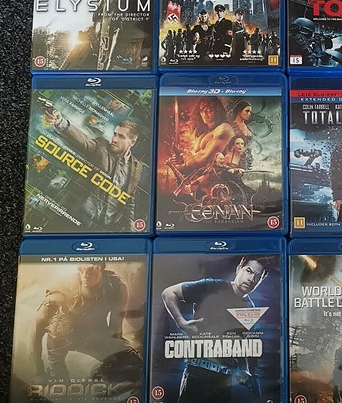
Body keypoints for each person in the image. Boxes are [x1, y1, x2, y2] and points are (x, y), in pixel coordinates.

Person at [162, 256, 270, 403]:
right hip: (197, 376)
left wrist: (244, 369)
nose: (251, 279)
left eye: (258, 277)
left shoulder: (250, 308)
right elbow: (169, 293)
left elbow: (241, 343)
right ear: (239, 268)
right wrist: (181, 323)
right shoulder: (212, 286)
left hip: (224, 382)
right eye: (249, 271)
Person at [30, 263, 142, 384]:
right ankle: (56, 371)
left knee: (133, 364)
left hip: (95, 335)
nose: (86, 274)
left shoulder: (116, 288)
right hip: (63, 340)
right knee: (60, 382)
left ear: (101, 267)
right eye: (82, 268)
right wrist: (38, 372)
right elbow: (36, 333)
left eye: (91, 268)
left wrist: (115, 358)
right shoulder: (59, 294)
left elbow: (115, 331)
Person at [43, 108, 142, 231]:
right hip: (74, 217)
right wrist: (60, 122)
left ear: (132, 142)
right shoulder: (101, 146)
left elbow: (129, 200)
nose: (115, 139)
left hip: (102, 228)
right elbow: (83, 141)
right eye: (115, 134)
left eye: (121, 136)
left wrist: (130, 230)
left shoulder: (136, 167)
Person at [169, 96, 234, 177]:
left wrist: (184, 166)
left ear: (217, 111)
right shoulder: (204, 134)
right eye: (202, 111)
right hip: (201, 176)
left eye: (209, 110)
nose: (205, 114)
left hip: (218, 177)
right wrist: (182, 158)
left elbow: (207, 156)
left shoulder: (224, 128)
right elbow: (196, 155)